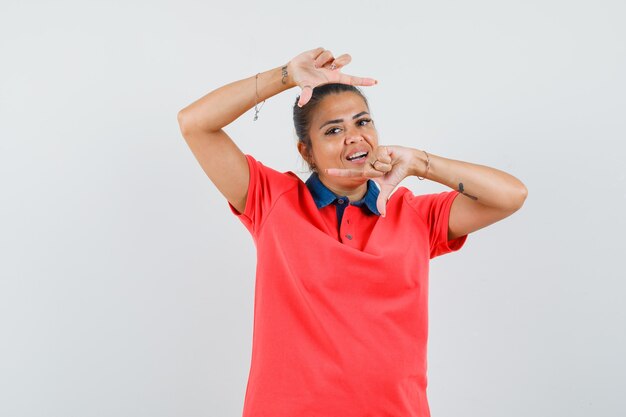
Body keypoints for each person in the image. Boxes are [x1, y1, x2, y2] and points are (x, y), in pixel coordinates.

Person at [177, 47, 528, 417]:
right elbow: (194, 123)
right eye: (333, 130)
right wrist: (285, 75)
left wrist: (421, 162)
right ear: (307, 151)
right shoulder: (274, 201)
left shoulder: (412, 213)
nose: (354, 137)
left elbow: (510, 196)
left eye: (362, 122)